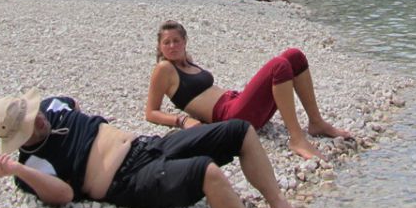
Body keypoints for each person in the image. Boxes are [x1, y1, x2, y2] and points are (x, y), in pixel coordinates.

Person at [0, 89, 327, 208]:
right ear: (19, 138)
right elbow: (64, 195)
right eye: (30, 124)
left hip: (147, 146)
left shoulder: (52, 107)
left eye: (33, 114)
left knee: (239, 129)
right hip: (127, 181)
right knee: (206, 172)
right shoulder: (31, 166)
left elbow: (72, 103)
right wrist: (15, 167)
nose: (39, 119)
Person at [146, 21, 352, 159]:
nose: (172, 46)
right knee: (279, 65)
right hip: (231, 116)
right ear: (159, 46)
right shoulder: (164, 69)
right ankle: (297, 138)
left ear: (185, 42)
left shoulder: (186, 61)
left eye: (176, 41)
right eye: (167, 42)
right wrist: (182, 120)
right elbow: (151, 112)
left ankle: (316, 123)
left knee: (294, 55)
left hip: (237, 102)